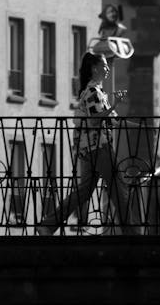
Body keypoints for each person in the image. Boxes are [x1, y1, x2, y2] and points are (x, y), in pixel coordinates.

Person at [37, 51, 140, 235]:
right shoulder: (93, 92)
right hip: (99, 148)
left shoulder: (95, 92)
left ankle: (48, 224)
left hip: (90, 149)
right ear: (94, 69)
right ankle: (132, 233)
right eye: (104, 65)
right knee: (120, 189)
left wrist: (139, 126)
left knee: (84, 192)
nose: (108, 68)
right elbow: (95, 120)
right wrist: (115, 105)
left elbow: (112, 120)